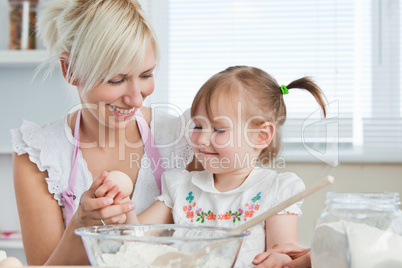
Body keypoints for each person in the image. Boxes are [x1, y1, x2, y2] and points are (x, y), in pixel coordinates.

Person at [11, 0, 194, 265]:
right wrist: (80, 225)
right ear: (70, 70)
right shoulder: (39, 155)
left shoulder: (184, 138)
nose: (135, 99)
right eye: (116, 80)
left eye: (146, 75)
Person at [121, 66, 327, 267]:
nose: (201, 139)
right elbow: (133, 238)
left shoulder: (276, 192)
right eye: (198, 126)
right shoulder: (181, 187)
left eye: (219, 130)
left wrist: (282, 260)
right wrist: (120, 204)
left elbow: (283, 254)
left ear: (261, 136)